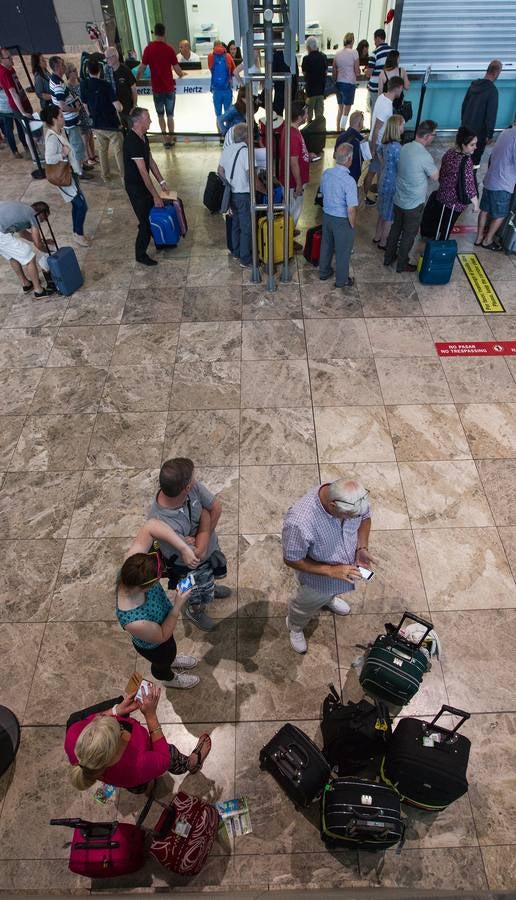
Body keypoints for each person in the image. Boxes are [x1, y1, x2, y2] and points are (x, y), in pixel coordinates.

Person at [282, 478, 374, 654]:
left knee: (328, 594)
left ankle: (329, 599)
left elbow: (365, 518)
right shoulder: (299, 522)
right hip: (316, 580)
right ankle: (295, 626)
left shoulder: (353, 496)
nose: (354, 519)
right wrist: (331, 571)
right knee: (304, 605)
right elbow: (291, 559)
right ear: (333, 506)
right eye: (348, 517)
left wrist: (362, 546)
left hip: (343, 572)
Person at [65, 684, 212, 791]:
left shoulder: (73, 735)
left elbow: (97, 718)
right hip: (136, 771)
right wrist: (151, 715)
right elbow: (164, 759)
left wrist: (116, 710)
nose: (123, 725)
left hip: (124, 780)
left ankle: (143, 787)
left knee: (137, 786)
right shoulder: (137, 766)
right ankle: (190, 764)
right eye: (120, 731)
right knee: (171, 755)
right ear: (113, 755)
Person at [117, 518, 203, 689]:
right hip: (155, 646)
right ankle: (169, 678)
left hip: (161, 628)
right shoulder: (135, 621)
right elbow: (163, 634)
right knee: (163, 661)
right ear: (145, 588)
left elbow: (150, 525)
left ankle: (172, 660)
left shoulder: (132, 565)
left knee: (171, 652)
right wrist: (178, 605)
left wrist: (183, 547)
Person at [148, 457, 231, 632]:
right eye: (193, 478)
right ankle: (194, 610)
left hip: (210, 549)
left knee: (207, 580)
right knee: (192, 590)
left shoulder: (192, 488)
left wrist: (202, 534)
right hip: (184, 568)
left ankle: (211, 588)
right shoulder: (160, 521)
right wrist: (205, 520)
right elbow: (197, 554)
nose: (196, 480)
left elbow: (216, 508)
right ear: (186, 487)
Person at [384, 119, 438, 272]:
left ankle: (388, 258)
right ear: (427, 136)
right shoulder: (424, 156)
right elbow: (435, 176)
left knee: (395, 229)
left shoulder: (404, 147)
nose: (434, 137)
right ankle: (402, 264)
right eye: (434, 134)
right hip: (414, 203)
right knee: (409, 234)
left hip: (399, 198)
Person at [122, 106, 170, 267]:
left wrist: (162, 182)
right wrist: (155, 195)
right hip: (135, 187)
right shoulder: (132, 141)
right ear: (138, 121)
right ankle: (140, 254)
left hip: (144, 186)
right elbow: (143, 172)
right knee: (144, 221)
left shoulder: (143, 137)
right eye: (147, 118)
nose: (150, 120)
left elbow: (150, 161)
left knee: (151, 213)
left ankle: (160, 240)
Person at [41, 104, 90, 248]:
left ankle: (77, 233)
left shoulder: (59, 132)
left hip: (70, 174)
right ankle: (78, 234)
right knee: (81, 206)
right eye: (61, 116)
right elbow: (49, 159)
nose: (63, 118)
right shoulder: (52, 138)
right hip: (64, 177)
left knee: (78, 205)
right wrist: (63, 153)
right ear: (54, 119)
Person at [421, 125, 479, 241]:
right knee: (447, 227)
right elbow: (469, 187)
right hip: (455, 203)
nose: (475, 147)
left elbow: (441, 174)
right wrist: (476, 205)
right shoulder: (466, 161)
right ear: (463, 145)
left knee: (440, 221)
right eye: (472, 145)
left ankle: (432, 240)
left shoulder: (449, 152)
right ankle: (440, 248)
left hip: (442, 196)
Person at [137, 23, 186, 148]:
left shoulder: (149, 49)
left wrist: (135, 80)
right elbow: (177, 70)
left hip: (157, 88)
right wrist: (183, 74)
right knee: (170, 114)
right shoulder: (169, 49)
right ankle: (171, 137)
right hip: (169, 87)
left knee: (160, 115)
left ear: (154, 33)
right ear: (164, 33)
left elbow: (142, 68)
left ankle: (165, 139)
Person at [318, 142, 358, 289]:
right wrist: (352, 225)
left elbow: (322, 193)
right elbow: (351, 209)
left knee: (326, 244)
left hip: (327, 216)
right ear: (349, 160)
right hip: (342, 220)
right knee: (343, 251)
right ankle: (342, 280)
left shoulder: (326, 173)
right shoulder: (349, 181)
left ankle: (324, 271)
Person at [48, 55, 93, 177]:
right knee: (76, 145)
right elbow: (62, 106)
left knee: (77, 143)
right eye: (62, 65)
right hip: (69, 120)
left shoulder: (56, 79)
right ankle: (80, 172)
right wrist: (75, 109)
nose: (64, 67)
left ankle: (82, 165)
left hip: (71, 119)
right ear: (57, 67)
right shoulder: (58, 84)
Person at [81, 59, 124, 184]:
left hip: (97, 124)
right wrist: (121, 107)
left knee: (102, 150)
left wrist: (91, 115)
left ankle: (105, 176)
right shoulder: (106, 85)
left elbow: (84, 104)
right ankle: (123, 177)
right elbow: (117, 106)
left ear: (88, 71)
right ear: (99, 70)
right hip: (111, 124)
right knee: (118, 150)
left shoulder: (84, 84)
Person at [475, 115, 516, 249]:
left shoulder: (505, 132)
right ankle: (488, 240)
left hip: (490, 179)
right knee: (501, 214)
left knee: (485, 210)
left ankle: (478, 237)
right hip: (503, 183)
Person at [0, 199, 55, 298]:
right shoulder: (33, 215)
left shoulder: (25, 210)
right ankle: (39, 291)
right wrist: (50, 252)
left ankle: (26, 284)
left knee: (13, 255)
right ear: (40, 213)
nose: (44, 220)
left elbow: (23, 234)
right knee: (29, 256)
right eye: (45, 217)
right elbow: (37, 243)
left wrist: (45, 241)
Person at [363, 76, 404, 203]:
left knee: (379, 170)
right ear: (398, 88)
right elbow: (376, 129)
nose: (401, 92)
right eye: (401, 89)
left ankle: (378, 194)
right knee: (372, 171)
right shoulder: (386, 106)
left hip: (379, 142)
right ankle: (365, 197)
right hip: (378, 143)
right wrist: (373, 149)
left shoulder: (382, 97)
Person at [219, 123, 253, 267]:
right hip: (243, 194)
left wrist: (229, 183)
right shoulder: (246, 152)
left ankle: (236, 253)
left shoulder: (227, 149)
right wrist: (264, 190)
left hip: (231, 193)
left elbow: (220, 170)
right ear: (247, 137)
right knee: (246, 227)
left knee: (235, 225)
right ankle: (245, 259)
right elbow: (251, 175)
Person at [461, 60, 503, 168]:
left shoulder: (473, 86)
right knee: (474, 163)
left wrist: (463, 125)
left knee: (463, 158)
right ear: (496, 73)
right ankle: (470, 182)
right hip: (479, 134)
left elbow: (464, 106)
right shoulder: (492, 91)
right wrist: (489, 134)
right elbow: (491, 115)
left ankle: (460, 180)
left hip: (465, 130)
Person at [279, 101, 310, 241]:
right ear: (299, 117)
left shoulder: (291, 129)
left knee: (291, 209)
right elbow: (293, 162)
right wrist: (298, 184)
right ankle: (288, 241)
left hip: (291, 181)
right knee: (293, 211)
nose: (307, 116)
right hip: (293, 183)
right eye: (306, 114)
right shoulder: (292, 134)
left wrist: (309, 155)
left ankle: (289, 231)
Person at [374, 114, 404, 248]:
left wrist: (384, 165)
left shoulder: (384, 144)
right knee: (389, 216)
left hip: (383, 180)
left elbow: (378, 152)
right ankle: (384, 242)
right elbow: (401, 167)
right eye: (402, 125)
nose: (404, 127)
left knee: (381, 212)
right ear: (397, 128)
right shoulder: (398, 148)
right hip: (392, 184)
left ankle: (377, 236)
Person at [0, 47, 31, 158]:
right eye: (8, 57)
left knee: (20, 126)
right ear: (1, 59)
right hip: (5, 104)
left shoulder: (10, 69)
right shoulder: (3, 72)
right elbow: (12, 92)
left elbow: (16, 87)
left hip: (16, 102)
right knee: (9, 127)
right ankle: (14, 150)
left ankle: (26, 145)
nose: (11, 59)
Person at [64, 63, 96, 167]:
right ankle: (87, 157)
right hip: (78, 113)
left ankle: (93, 155)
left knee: (90, 133)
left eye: (76, 69)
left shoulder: (80, 81)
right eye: (73, 70)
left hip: (85, 111)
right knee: (84, 136)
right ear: (69, 73)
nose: (76, 71)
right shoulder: (68, 86)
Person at [104, 46, 137, 131]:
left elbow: (133, 88)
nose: (107, 60)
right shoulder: (106, 71)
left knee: (132, 130)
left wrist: (134, 105)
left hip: (127, 108)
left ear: (115, 57)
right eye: (106, 58)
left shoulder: (125, 70)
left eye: (108, 58)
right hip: (114, 110)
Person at [332, 33, 360, 131]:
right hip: (349, 84)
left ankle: (337, 130)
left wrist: (335, 81)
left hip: (338, 83)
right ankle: (342, 131)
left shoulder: (337, 53)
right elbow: (357, 71)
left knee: (340, 109)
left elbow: (334, 71)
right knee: (346, 111)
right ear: (352, 41)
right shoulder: (354, 53)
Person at [208, 41, 235, 137]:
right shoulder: (227, 56)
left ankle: (220, 135)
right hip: (226, 89)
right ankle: (228, 135)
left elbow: (210, 69)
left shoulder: (210, 56)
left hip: (216, 90)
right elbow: (233, 70)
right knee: (228, 112)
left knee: (218, 114)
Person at [301, 37, 328, 124]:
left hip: (310, 92)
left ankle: (310, 134)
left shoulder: (306, 59)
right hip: (320, 91)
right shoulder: (323, 57)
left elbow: (304, 73)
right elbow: (325, 72)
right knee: (319, 116)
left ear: (308, 47)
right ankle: (318, 134)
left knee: (309, 116)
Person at [335, 110, 366, 183]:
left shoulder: (340, 136)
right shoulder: (359, 140)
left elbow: (335, 156)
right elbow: (365, 157)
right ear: (360, 124)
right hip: (353, 175)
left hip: (339, 173)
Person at [365, 28, 391, 110]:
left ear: (378, 38)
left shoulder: (375, 53)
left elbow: (369, 73)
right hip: (389, 87)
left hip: (375, 88)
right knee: (385, 111)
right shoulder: (393, 52)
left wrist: (365, 71)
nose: (374, 42)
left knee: (375, 112)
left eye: (374, 39)